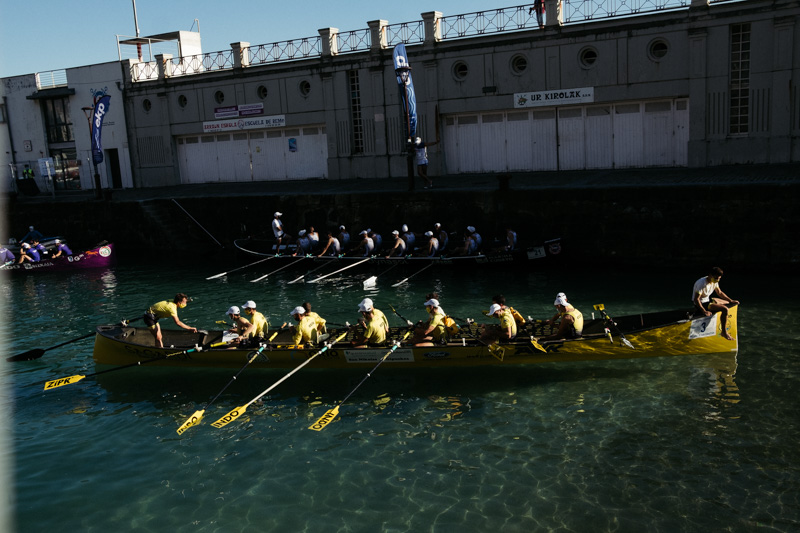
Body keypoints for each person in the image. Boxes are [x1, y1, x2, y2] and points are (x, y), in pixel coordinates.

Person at [691, 267, 739, 341]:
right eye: (716, 278)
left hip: (708, 300)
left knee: (727, 302)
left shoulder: (715, 281)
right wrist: (704, 311)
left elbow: (719, 292)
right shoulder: (701, 283)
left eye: (719, 278)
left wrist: (731, 300)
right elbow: (696, 299)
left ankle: (724, 304)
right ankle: (724, 332)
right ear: (710, 275)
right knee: (725, 309)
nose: (717, 280)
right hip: (701, 303)